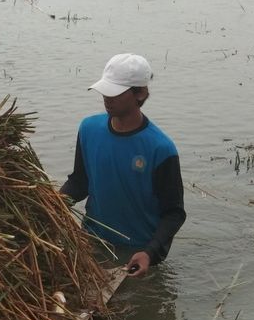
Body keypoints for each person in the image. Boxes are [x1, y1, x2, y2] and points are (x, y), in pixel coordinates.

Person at [60, 53, 185, 279]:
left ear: (140, 93)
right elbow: (80, 182)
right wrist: (53, 205)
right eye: (105, 91)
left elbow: (174, 213)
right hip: (93, 240)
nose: (107, 98)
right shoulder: (89, 129)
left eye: (115, 93)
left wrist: (150, 252)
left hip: (135, 251)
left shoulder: (160, 148)